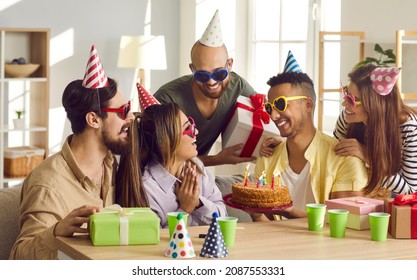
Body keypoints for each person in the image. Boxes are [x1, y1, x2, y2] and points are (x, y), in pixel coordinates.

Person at [9, 45, 135, 259]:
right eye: (124, 111)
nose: (131, 117)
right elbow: (19, 257)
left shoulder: (112, 165)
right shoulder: (48, 184)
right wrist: (56, 232)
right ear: (93, 119)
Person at [251, 52, 368, 221]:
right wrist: (256, 214)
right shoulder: (267, 158)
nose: (274, 116)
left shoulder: (344, 159)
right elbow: (266, 226)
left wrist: (290, 212)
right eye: (269, 107)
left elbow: (343, 225)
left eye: (281, 104)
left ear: (307, 104)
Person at [154, 10, 257, 167]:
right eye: (202, 75)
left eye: (219, 73)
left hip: (196, 176)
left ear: (230, 65)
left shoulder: (238, 87)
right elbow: (159, 161)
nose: (211, 81)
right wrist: (218, 159)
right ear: (192, 69)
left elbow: (267, 114)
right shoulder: (167, 99)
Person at [117, 84, 226, 228]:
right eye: (188, 128)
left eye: (191, 124)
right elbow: (152, 241)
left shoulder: (196, 167)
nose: (196, 132)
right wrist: (185, 209)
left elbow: (224, 216)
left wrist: (198, 203)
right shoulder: (147, 189)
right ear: (165, 142)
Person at [333, 64, 417, 195]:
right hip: (359, 191)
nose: (344, 104)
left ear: (375, 103)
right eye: (346, 95)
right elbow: (335, 161)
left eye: (352, 100)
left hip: (394, 198)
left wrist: (368, 156)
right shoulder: (347, 118)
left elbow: (411, 191)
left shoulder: (409, 129)